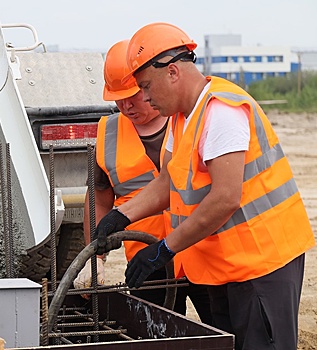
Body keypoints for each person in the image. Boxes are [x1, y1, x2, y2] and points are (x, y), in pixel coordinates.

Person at [95, 23, 315, 350]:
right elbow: (168, 180)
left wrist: (165, 248)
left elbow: (225, 199)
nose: (144, 98)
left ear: (172, 72)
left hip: (261, 263)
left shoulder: (221, 112)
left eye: (146, 87)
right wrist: (120, 216)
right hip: (225, 267)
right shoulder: (183, 118)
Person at [74, 40, 212, 324]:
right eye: (117, 98)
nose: (125, 105)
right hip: (146, 261)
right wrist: (95, 258)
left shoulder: (188, 119)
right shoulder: (109, 133)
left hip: (203, 249)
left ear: (149, 83)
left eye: (133, 95)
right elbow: (99, 199)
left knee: (224, 329)